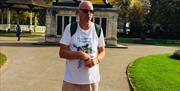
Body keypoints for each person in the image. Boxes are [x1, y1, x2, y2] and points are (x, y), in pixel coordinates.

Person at [59, 1, 106, 91]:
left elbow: (102, 51)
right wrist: (80, 55)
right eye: (85, 11)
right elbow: (62, 52)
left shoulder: (98, 29)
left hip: (91, 81)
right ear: (77, 12)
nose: (89, 14)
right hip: (71, 81)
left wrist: (96, 60)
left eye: (91, 11)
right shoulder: (70, 28)